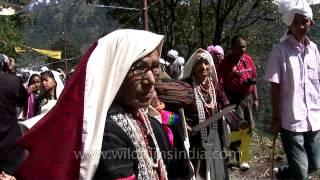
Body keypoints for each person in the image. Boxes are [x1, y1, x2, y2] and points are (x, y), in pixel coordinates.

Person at [16, 29, 192, 180]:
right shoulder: (106, 133)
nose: (151, 80)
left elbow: (181, 171)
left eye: (155, 67)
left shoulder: (152, 124)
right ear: (116, 72)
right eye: (139, 68)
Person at [265, 0, 320, 179]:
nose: (300, 26)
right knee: (302, 173)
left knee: (314, 165)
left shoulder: (314, 50)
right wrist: (276, 118)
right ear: (290, 23)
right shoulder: (280, 50)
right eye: (295, 22)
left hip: (314, 117)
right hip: (290, 120)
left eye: (304, 21)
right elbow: (275, 86)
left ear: (311, 22)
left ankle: (283, 173)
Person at [178, 48, 230, 180]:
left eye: (206, 63)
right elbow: (173, 112)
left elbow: (226, 104)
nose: (203, 67)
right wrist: (183, 125)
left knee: (215, 173)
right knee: (194, 172)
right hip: (192, 139)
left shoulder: (215, 87)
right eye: (199, 63)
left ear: (211, 67)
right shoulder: (186, 87)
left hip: (213, 138)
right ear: (193, 67)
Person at [217, 35, 259, 170]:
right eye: (239, 47)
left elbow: (253, 80)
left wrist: (256, 98)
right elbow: (220, 84)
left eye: (244, 46)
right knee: (242, 127)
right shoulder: (225, 64)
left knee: (250, 127)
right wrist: (225, 103)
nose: (243, 49)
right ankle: (242, 158)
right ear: (232, 47)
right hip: (234, 99)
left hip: (247, 98)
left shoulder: (248, 60)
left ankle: (233, 146)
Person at [0, 54, 27, 175]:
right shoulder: (12, 80)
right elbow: (23, 100)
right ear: (6, 65)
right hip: (10, 147)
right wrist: (12, 72)